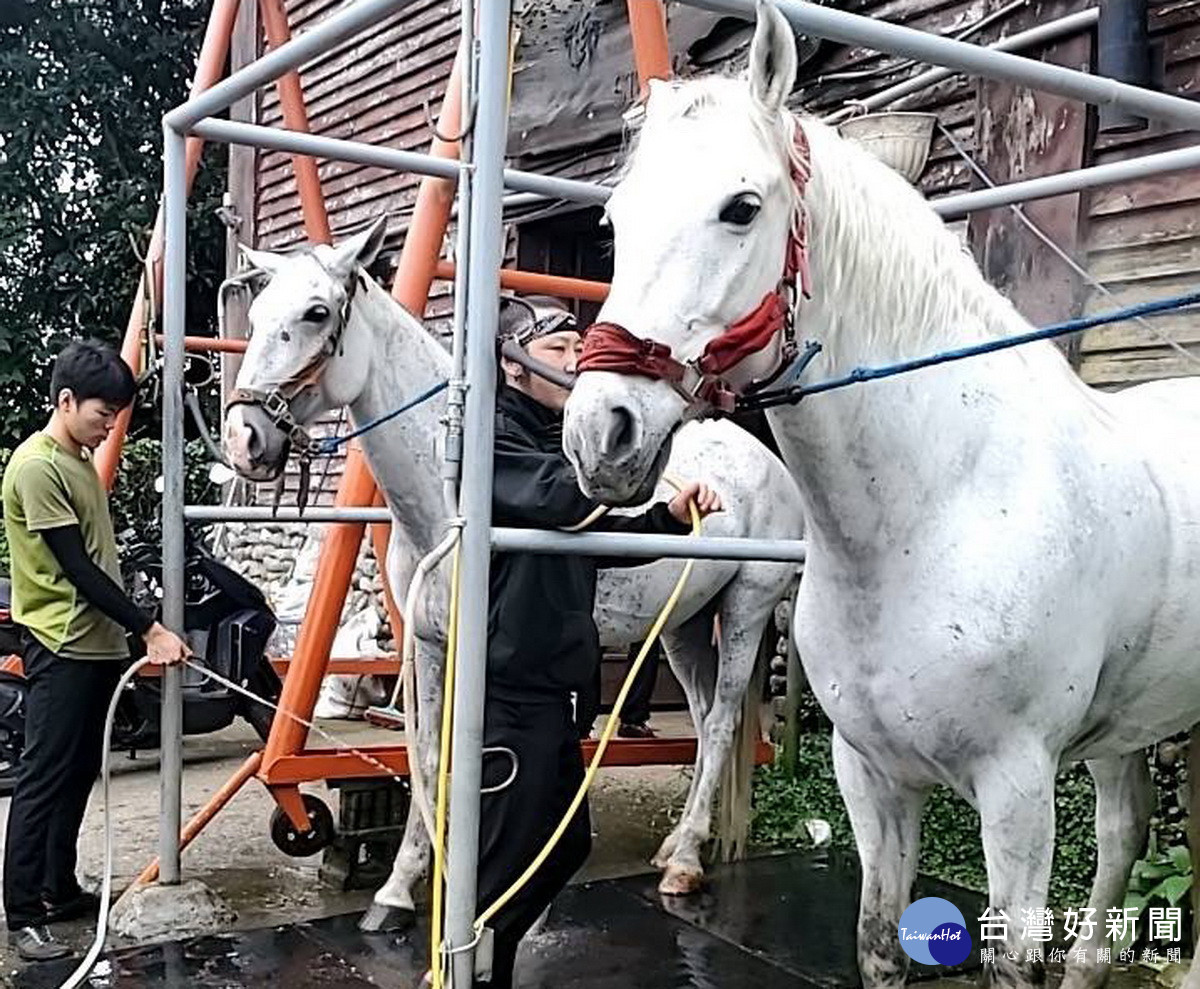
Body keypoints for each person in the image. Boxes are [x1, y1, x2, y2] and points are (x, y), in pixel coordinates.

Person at [455, 296, 721, 988]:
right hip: (511, 689)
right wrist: (634, 443)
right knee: (499, 871)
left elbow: (591, 538)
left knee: (562, 847)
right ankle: (466, 975)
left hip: (557, 685)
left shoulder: (549, 443)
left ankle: (490, 970)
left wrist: (666, 517)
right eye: (557, 347)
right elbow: (561, 500)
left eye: (580, 346)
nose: (575, 360)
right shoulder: (493, 439)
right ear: (513, 365)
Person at [1, 340, 190, 961]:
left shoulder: (77, 459)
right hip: (60, 643)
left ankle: (59, 889)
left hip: (95, 646)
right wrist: (148, 627)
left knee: (80, 773)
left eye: (116, 414)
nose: (111, 424)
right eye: (102, 412)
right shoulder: (37, 467)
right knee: (43, 778)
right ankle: (24, 913)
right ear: (65, 401)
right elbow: (77, 568)